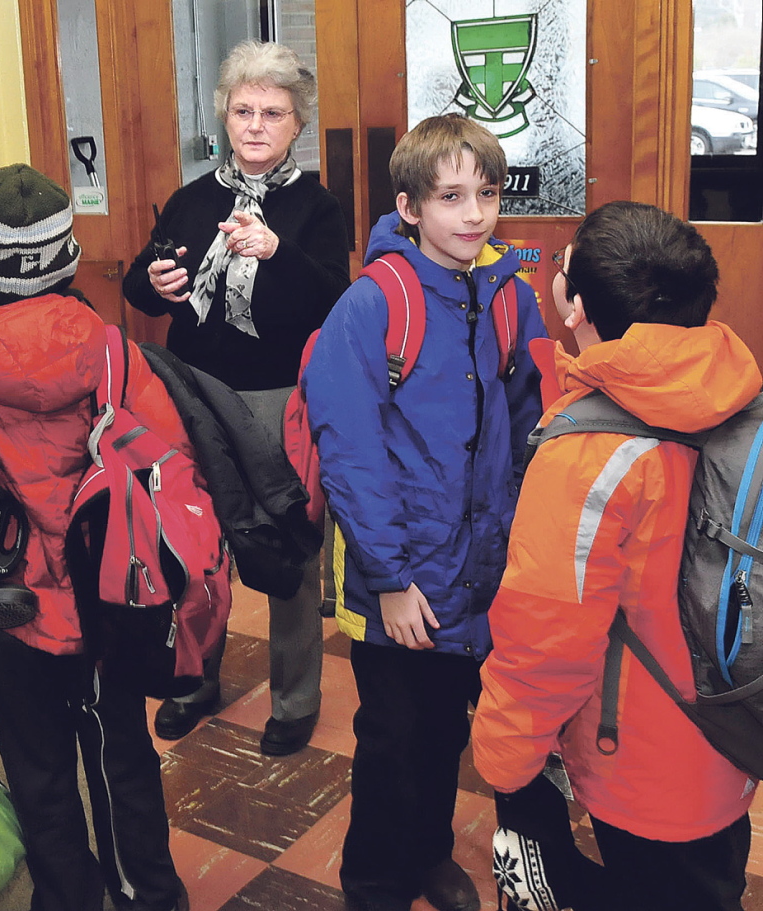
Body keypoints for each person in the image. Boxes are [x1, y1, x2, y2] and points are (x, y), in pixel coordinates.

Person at [0, 163, 188, 911]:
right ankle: (148, 890)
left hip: (13, 611)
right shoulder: (112, 348)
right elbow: (166, 455)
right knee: (122, 751)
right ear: (65, 261)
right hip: (110, 596)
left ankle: (68, 894)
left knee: (39, 767)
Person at [471, 201, 760, 911]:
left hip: (638, 756)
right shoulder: (737, 393)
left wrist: (504, 757)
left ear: (575, 306)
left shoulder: (587, 453)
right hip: (728, 729)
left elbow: (546, 634)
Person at [302, 113, 546, 911]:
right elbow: (350, 454)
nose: (473, 214)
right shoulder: (374, 306)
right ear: (409, 207)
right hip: (399, 569)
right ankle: (373, 881)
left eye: (485, 192)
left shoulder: (509, 296)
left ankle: (429, 854)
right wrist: (392, 578)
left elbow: (522, 424)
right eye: (450, 197)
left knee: (444, 727)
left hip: (476, 567)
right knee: (391, 738)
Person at [123, 39, 350, 755]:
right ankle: (194, 681)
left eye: (272, 112)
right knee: (195, 552)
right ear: (223, 116)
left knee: (286, 553)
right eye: (242, 109)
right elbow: (140, 282)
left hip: (282, 398)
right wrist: (150, 284)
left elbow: (331, 303)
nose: (255, 124)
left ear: (296, 123)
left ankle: (295, 699)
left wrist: (276, 253)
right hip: (193, 396)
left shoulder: (315, 207)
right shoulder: (193, 200)